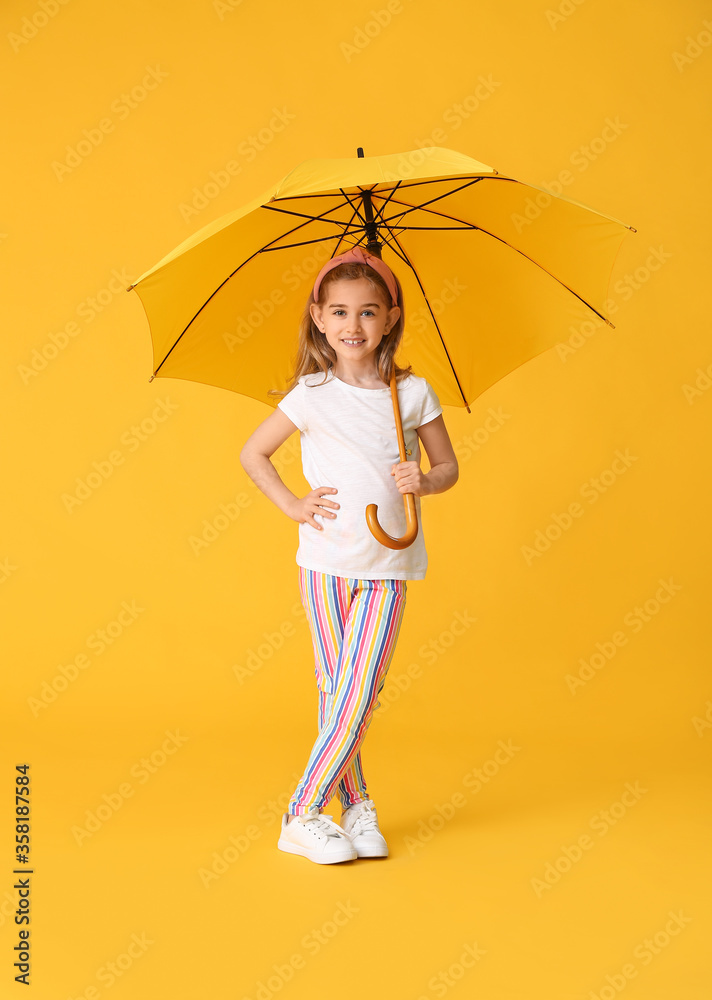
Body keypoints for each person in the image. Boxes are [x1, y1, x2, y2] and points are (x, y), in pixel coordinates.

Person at [239, 245, 459, 864]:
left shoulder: (410, 393)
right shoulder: (309, 394)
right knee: (339, 691)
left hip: (388, 564)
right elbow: (253, 454)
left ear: (391, 317)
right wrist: (293, 506)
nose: (353, 326)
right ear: (318, 317)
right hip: (324, 565)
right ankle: (355, 806)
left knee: (359, 691)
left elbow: (448, 467)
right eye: (339, 312)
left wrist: (426, 479)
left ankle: (301, 811)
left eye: (368, 312)